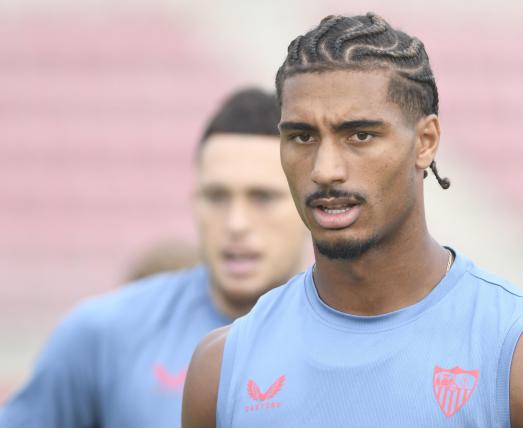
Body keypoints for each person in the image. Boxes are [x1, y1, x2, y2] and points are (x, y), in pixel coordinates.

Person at [182, 13, 523, 428]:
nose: (325, 169)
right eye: (302, 136)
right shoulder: (221, 368)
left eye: (360, 135)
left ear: (426, 142)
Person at [0, 88, 310, 428]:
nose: (236, 223)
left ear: (307, 202)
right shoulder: (103, 334)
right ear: (194, 201)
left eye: (262, 198)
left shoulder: (353, 339)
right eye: (216, 196)